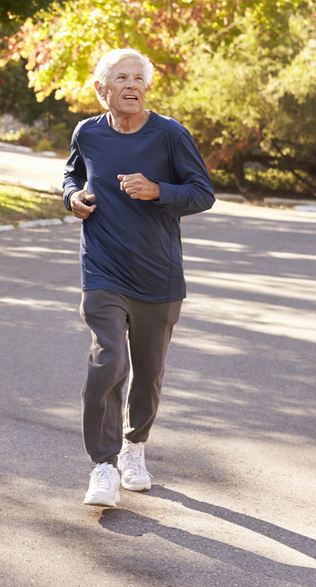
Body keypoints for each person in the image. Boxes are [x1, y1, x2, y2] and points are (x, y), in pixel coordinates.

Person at [63, 48, 215, 508]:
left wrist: (158, 191)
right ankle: (103, 465)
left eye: (138, 79)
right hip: (103, 269)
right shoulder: (88, 133)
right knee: (108, 361)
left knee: (147, 375)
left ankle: (135, 447)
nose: (131, 86)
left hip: (158, 275)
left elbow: (202, 193)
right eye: (121, 78)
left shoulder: (169, 134)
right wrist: (72, 198)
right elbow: (72, 174)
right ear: (100, 89)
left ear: (146, 87)